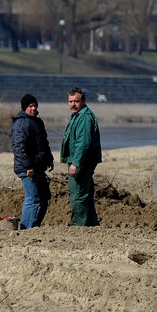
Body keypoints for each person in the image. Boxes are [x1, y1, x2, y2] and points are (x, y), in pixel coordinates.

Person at [60, 86, 102, 226]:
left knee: (77, 194)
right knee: (85, 192)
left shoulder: (84, 117)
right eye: (70, 101)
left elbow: (83, 144)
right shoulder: (78, 115)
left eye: (76, 101)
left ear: (83, 101)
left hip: (81, 162)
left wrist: (75, 163)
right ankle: (90, 223)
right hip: (80, 160)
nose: (73, 104)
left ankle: (78, 225)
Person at [11, 93, 54, 229]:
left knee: (44, 198)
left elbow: (44, 144)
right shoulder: (21, 123)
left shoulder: (38, 122)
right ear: (25, 108)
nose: (33, 108)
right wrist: (28, 166)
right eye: (30, 106)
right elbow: (19, 148)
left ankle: (34, 227)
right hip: (28, 169)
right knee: (33, 199)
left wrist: (49, 159)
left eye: (35, 105)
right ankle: (26, 229)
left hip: (39, 167)